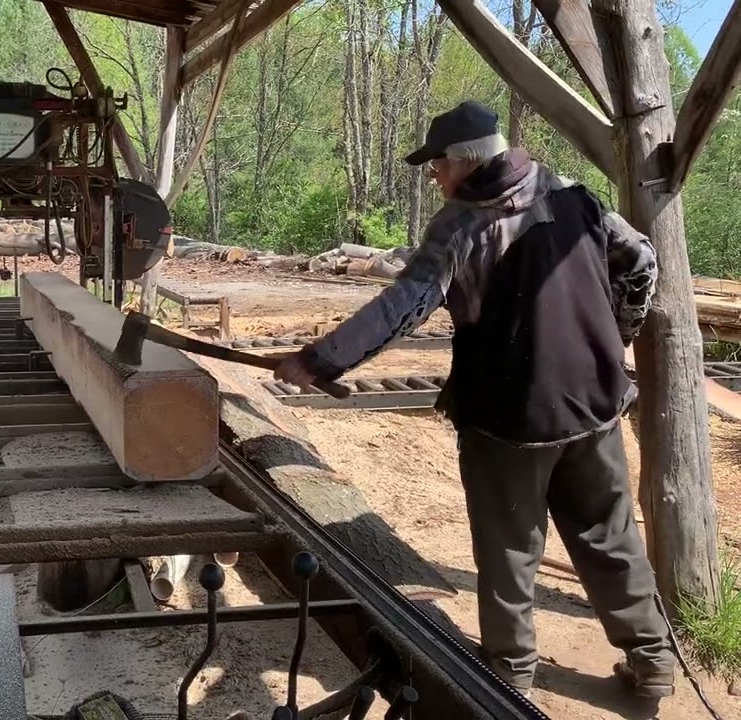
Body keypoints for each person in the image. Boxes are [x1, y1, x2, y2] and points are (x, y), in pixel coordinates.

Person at [274, 100, 676, 698]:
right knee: (608, 533)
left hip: (507, 421)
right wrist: (616, 330)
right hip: (595, 406)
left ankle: (510, 675)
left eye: (436, 166)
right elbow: (641, 258)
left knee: (510, 546)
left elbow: (402, 307)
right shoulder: (575, 195)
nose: (434, 176)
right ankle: (653, 662)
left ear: (464, 163)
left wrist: (318, 360)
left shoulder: (461, 224)